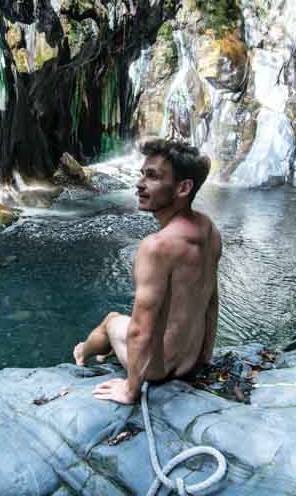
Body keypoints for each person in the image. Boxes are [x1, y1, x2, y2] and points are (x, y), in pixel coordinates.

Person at [73, 138, 221, 405]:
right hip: (190, 362)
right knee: (121, 323)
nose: (140, 184)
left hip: (156, 369)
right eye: (142, 174)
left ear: (183, 187)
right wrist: (204, 358)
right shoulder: (209, 229)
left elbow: (141, 329)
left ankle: (82, 352)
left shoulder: (157, 247)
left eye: (152, 176)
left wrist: (130, 390)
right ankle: (94, 350)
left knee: (111, 320)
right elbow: (212, 299)